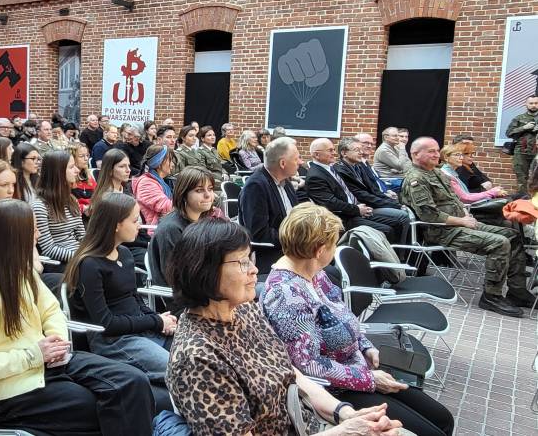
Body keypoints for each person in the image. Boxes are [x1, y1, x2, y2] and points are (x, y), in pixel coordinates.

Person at [167, 218, 404, 436]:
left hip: (310, 423)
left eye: (250, 259)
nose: (254, 270)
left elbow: (290, 373)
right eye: (242, 262)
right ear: (203, 271)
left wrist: (344, 413)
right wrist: (345, 432)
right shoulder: (196, 358)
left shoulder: (244, 310)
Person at [0, 198, 155, 435]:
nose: (38, 235)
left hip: (46, 363)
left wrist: (56, 340)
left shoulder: (19, 269)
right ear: (14, 237)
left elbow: (51, 310)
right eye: (33, 229)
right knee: (106, 407)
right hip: (7, 389)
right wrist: (32, 355)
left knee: (134, 382)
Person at [261, 203, 454, 436]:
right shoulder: (285, 295)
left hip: (358, 368)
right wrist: (369, 378)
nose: (335, 248)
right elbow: (308, 365)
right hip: (335, 391)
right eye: (334, 243)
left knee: (443, 419)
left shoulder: (315, 273)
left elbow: (344, 315)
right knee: (433, 431)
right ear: (319, 250)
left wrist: (365, 346)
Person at [400, 137, 533, 316]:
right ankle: (491, 296)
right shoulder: (416, 179)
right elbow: (429, 215)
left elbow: (455, 199)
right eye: (431, 151)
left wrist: (465, 214)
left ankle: (517, 292)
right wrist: (462, 221)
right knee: (500, 243)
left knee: (513, 236)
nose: (436, 154)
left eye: (437, 150)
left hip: (461, 223)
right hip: (442, 231)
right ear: (415, 154)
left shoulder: (437, 173)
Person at [64, 192, 175, 386]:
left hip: (140, 329)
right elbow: (106, 323)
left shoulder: (124, 254)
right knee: (179, 369)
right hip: (114, 341)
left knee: (194, 355)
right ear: (116, 225)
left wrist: (160, 321)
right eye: (134, 220)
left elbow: (135, 298)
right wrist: (155, 321)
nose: (139, 225)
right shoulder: (89, 265)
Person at [307, 138, 402, 243]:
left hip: (354, 210)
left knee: (397, 223)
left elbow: (351, 192)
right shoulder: (315, 176)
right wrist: (357, 209)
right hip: (342, 218)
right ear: (317, 155)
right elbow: (331, 203)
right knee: (387, 230)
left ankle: (402, 252)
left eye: (333, 149)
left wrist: (359, 207)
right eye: (330, 150)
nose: (334, 153)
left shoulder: (330, 168)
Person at [240, 137, 301, 275]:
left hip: (292, 249)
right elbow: (259, 234)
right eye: (297, 158)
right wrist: (297, 239)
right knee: (328, 273)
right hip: (273, 254)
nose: (300, 162)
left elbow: (296, 216)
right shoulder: (256, 187)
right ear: (283, 163)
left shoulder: (286, 182)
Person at [149, 167, 216, 289]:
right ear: (183, 194)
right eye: (199, 190)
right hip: (183, 295)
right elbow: (175, 278)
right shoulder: (171, 229)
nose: (207, 195)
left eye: (210, 189)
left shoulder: (203, 222)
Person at [332, 137, 410, 243]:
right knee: (403, 216)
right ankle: (401, 251)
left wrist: (392, 202)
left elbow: (373, 189)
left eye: (361, 149)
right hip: (362, 208)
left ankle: (402, 249)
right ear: (344, 153)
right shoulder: (341, 170)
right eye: (357, 150)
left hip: (370, 204)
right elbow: (361, 195)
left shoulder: (358, 166)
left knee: (404, 210)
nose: (361, 152)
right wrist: (394, 205)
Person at [32, 150, 85, 265]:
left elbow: (81, 235)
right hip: (61, 263)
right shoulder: (39, 207)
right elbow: (48, 249)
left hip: (80, 256)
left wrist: (93, 251)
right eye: (71, 167)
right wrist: (82, 257)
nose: (77, 170)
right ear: (58, 173)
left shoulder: (72, 200)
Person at [439, 144, 506, 203]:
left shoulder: (453, 173)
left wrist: (492, 192)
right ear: (446, 157)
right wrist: (491, 193)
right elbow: (465, 198)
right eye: (457, 155)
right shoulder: (447, 175)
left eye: (461, 155)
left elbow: (467, 195)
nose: (461, 158)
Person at [132, 145, 174, 230]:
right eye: (170, 160)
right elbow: (166, 207)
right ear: (159, 163)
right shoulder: (146, 183)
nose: (172, 164)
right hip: (156, 229)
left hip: (166, 224)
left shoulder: (163, 181)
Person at [505, 95, 538, 194]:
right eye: (531, 103)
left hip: (536, 153)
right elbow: (509, 133)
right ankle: (523, 199)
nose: (533, 105)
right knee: (521, 179)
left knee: (536, 178)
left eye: (536, 103)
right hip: (521, 152)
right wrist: (524, 128)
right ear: (526, 104)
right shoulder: (519, 118)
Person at [70, 142, 95, 214]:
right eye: (81, 156)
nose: (86, 159)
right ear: (72, 158)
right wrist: (83, 208)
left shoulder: (88, 177)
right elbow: (66, 204)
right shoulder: (68, 178)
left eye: (87, 155)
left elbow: (98, 196)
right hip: (76, 214)